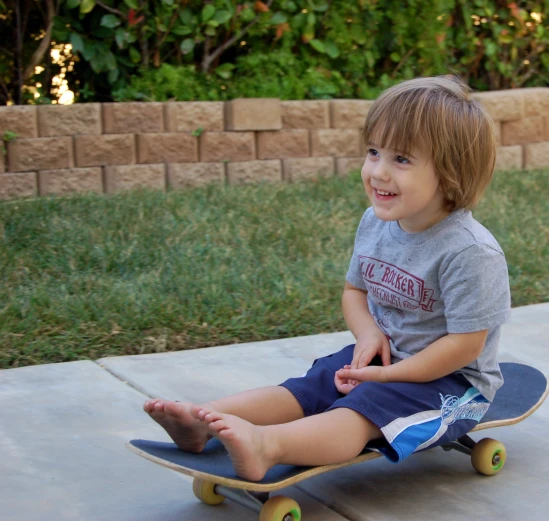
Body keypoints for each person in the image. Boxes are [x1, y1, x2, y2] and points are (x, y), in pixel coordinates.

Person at [143, 75, 511, 482]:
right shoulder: (376, 223)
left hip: (453, 386)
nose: (378, 172)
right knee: (309, 388)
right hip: (384, 357)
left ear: (452, 172)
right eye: (373, 152)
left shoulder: (470, 251)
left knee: (362, 410)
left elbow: (465, 345)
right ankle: (202, 421)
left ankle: (268, 447)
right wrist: (369, 335)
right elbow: (355, 291)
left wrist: (389, 376)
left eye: (401, 159)